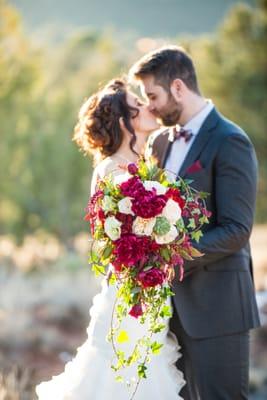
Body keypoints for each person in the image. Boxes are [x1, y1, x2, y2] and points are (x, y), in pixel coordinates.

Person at [35, 79, 185, 400]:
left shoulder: (144, 166)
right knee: (123, 375)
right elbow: (115, 242)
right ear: (123, 121)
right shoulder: (112, 170)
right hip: (129, 295)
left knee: (146, 368)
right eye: (138, 105)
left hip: (150, 289)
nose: (148, 107)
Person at [129, 45, 260, 400]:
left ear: (177, 87)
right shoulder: (157, 143)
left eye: (152, 95)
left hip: (218, 310)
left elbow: (236, 229)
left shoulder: (230, 140)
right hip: (168, 313)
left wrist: (170, 257)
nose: (150, 107)